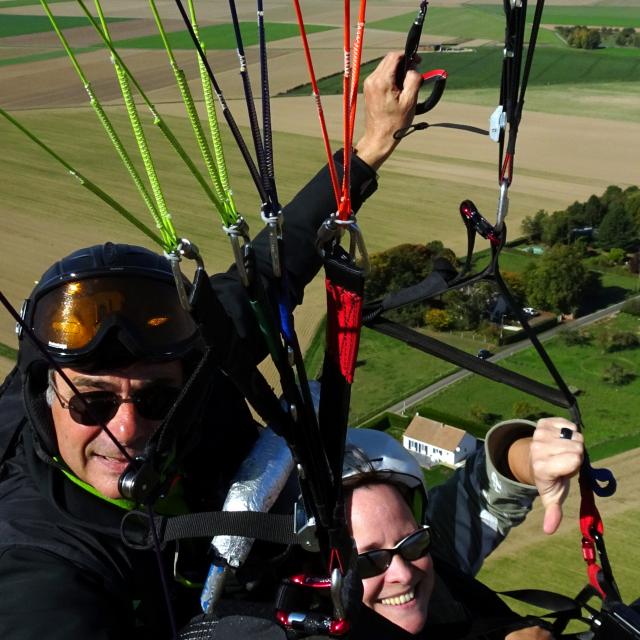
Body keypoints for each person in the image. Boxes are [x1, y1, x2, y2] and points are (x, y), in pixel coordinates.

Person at [0, 52, 424, 640]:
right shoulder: (38, 546)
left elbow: (274, 269)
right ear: (46, 399)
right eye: (92, 404)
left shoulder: (194, 364)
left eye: (154, 401)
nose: (126, 429)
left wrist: (370, 144)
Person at [342, 422, 585, 639]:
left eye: (412, 542)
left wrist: (532, 458)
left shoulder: (437, 565)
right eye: (370, 561)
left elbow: (487, 490)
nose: (403, 574)